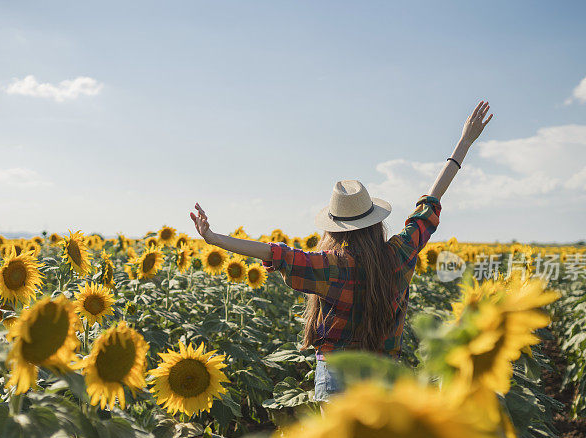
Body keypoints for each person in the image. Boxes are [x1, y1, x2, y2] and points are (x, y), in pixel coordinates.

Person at [190, 100, 493, 403]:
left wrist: (213, 238)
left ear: (334, 228)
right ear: (374, 220)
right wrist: (464, 142)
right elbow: (428, 205)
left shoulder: (329, 266)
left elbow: (274, 253)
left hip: (336, 375)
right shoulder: (400, 254)